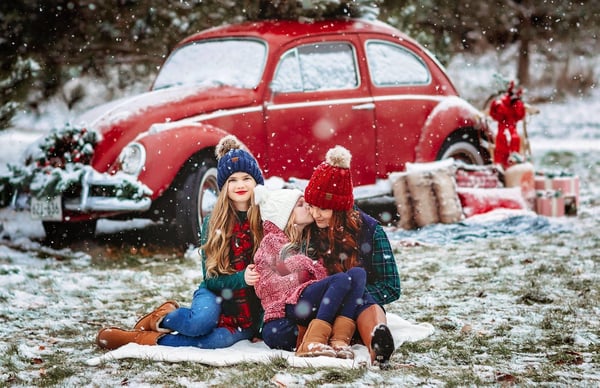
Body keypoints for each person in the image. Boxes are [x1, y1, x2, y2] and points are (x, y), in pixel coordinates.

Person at [96, 135, 264, 350]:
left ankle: (138, 341)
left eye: (246, 178)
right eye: (232, 180)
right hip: (215, 293)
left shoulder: (266, 222)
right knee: (199, 323)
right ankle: (163, 317)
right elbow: (212, 280)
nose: (240, 185)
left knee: (215, 341)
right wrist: (242, 279)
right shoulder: (214, 223)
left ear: (256, 183)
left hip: (245, 313)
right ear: (223, 187)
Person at [304, 145, 401, 368]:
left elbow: (391, 286)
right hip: (320, 306)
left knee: (365, 300)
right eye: (312, 206)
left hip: (358, 308)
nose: (315, 214)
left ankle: (377, 343)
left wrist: (352, 295)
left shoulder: (370, 231)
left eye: (324, 209)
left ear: (339, 209)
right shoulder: (309, 228)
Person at [252, 184, 370, 359]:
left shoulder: (308, 239)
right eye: (300, 204)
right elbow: (267, 282)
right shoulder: (272, 242)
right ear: (286, 216)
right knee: (341, 281)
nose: (308, 206)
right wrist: (302, 264)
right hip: (285, 308)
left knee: (358, 274)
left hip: (307, 307)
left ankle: (339, 340)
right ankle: (312, 341)